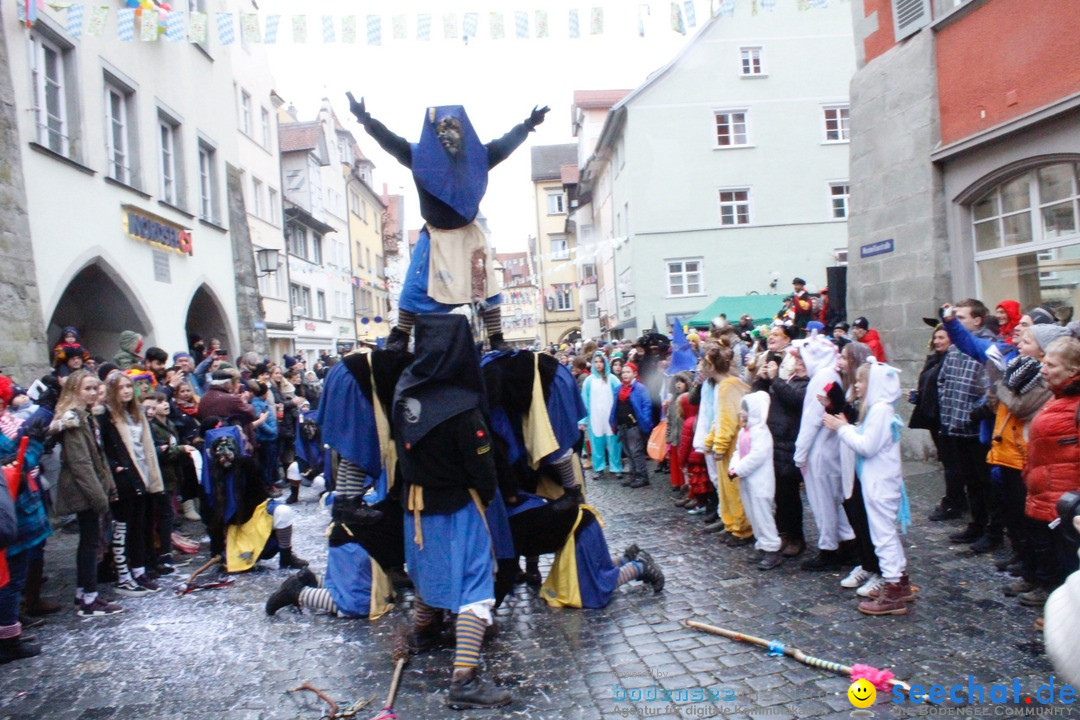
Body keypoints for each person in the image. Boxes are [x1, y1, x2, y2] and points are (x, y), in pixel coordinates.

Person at [347, 93, 548, 352]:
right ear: (434, 133)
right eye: (443, 129)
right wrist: (365, 120)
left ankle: (497, 337)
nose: (448, 134)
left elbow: (504, 146)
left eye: (453, 127)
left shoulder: (477, 157)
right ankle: (400, 335)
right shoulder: (420, 157)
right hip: (435, 236)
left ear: (462, 130)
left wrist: (527, 125)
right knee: (414, 285)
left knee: (484, 283)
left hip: (467, 235)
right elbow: (390, 142)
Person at [391, 314, 510, 709]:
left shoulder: (404, 393)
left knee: (427, 571)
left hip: (415, 506)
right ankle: (464, 679)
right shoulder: (462, 407)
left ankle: (423, 633)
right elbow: (482, 468)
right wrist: (487, 494)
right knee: (475, 585)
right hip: (457, 507)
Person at [825, 359, 915, 615]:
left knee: (883, 536)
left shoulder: (880, 410)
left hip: (880, 484)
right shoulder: (878, 409)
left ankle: (893, 589)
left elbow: (867, 445)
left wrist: (842, 428)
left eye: (862, 381)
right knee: (884, 534)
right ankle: (899, 580)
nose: (858, 386)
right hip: (879, 482)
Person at [51, 370, 124, 618]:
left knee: (90, 542)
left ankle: (85, 593)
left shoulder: (86, 416)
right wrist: (99, 498)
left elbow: (99, 457)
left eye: (95, 388)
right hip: (84, 490)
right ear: (74, 391)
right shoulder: (74, 419)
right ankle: (88, 599)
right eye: (87, 389)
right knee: (91, 543)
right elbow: (80, 463)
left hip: (93, 486)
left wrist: (108, 486)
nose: (93, 393)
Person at [1017, 336, 1080, 607]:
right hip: (1049, 490)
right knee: (1051, 550)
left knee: (1068, 559)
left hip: (1065, 496)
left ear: (1073, 370)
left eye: (1051, 365)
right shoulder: (1058, 397)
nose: (1043, 369)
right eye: (1044, 363)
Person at [99, 371, 167, 596]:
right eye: (121, 387)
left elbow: (144, 446)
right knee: (122, 528)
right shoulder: (105, 415)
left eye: (129, 386)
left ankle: (139, 570)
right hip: (124, 479)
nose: (127, 391)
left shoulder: (135, 413)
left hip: (143, 475)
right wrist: (116, 468)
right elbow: (104, 448)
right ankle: (123, 574)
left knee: (139, 526)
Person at [793, 334, 856, 570]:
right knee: (835, 500)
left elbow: (811, 419)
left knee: (823, 503)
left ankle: (829, 548)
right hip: (829, 449)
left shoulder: (822, 377)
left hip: (820, 453)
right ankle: (848, 543)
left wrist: (800, 453)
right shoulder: (830, 375)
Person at [728, 392, 782, 569]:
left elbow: (757, 456)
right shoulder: (745, 431)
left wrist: (739, 469)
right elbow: (738, 451)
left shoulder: (761, 432)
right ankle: (761, 544)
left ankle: (772, 548)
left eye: (746, 409)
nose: (742, 412)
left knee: (763, 515)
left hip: (760, 482)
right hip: (747, 480)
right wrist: (734, 466)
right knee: (753, 514)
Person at [704, 346, 752, 545]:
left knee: (733, 488)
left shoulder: (727, 387)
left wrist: (720, 446)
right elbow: (719, 418)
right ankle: (731, 524)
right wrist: (710, 441)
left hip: (733, 447)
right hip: (729, 444)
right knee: (726, 488)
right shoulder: (727, 385)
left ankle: (742, 528)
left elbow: (727, 420)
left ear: (711, 367)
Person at [908, 323, 950, 515]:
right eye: (936, 338)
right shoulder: (934, 359)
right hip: (933, 415)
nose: (937, 341)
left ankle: (953, 500)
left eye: (942, 337)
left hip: (945, 417)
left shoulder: (949, 360)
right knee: (945, 459)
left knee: (951, 462)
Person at [580, 351, 623, 481]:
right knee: (596, 444)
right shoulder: (589, 381)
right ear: (593, 364)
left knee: (614, 443)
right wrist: (583, 420)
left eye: (600, 362)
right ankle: (598, 468)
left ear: (604, 363)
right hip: (595, 418)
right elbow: (584, 400)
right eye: (596, 362)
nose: (598, 365)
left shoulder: (613, 379)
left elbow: (619, 397)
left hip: (610, 418)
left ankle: (616, 467)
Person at [610, 363, 653, 489]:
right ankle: (633, 474)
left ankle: (642, 476)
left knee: (636, 451)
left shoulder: (640, 388)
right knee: (628, 452)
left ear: (634, 373)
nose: (625, 374)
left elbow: (646, 406)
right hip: (622, 424)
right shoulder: (618, 388)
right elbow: (615, 406)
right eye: (623, 372)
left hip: (634, 424)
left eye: (628, 372)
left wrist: (645, 422)